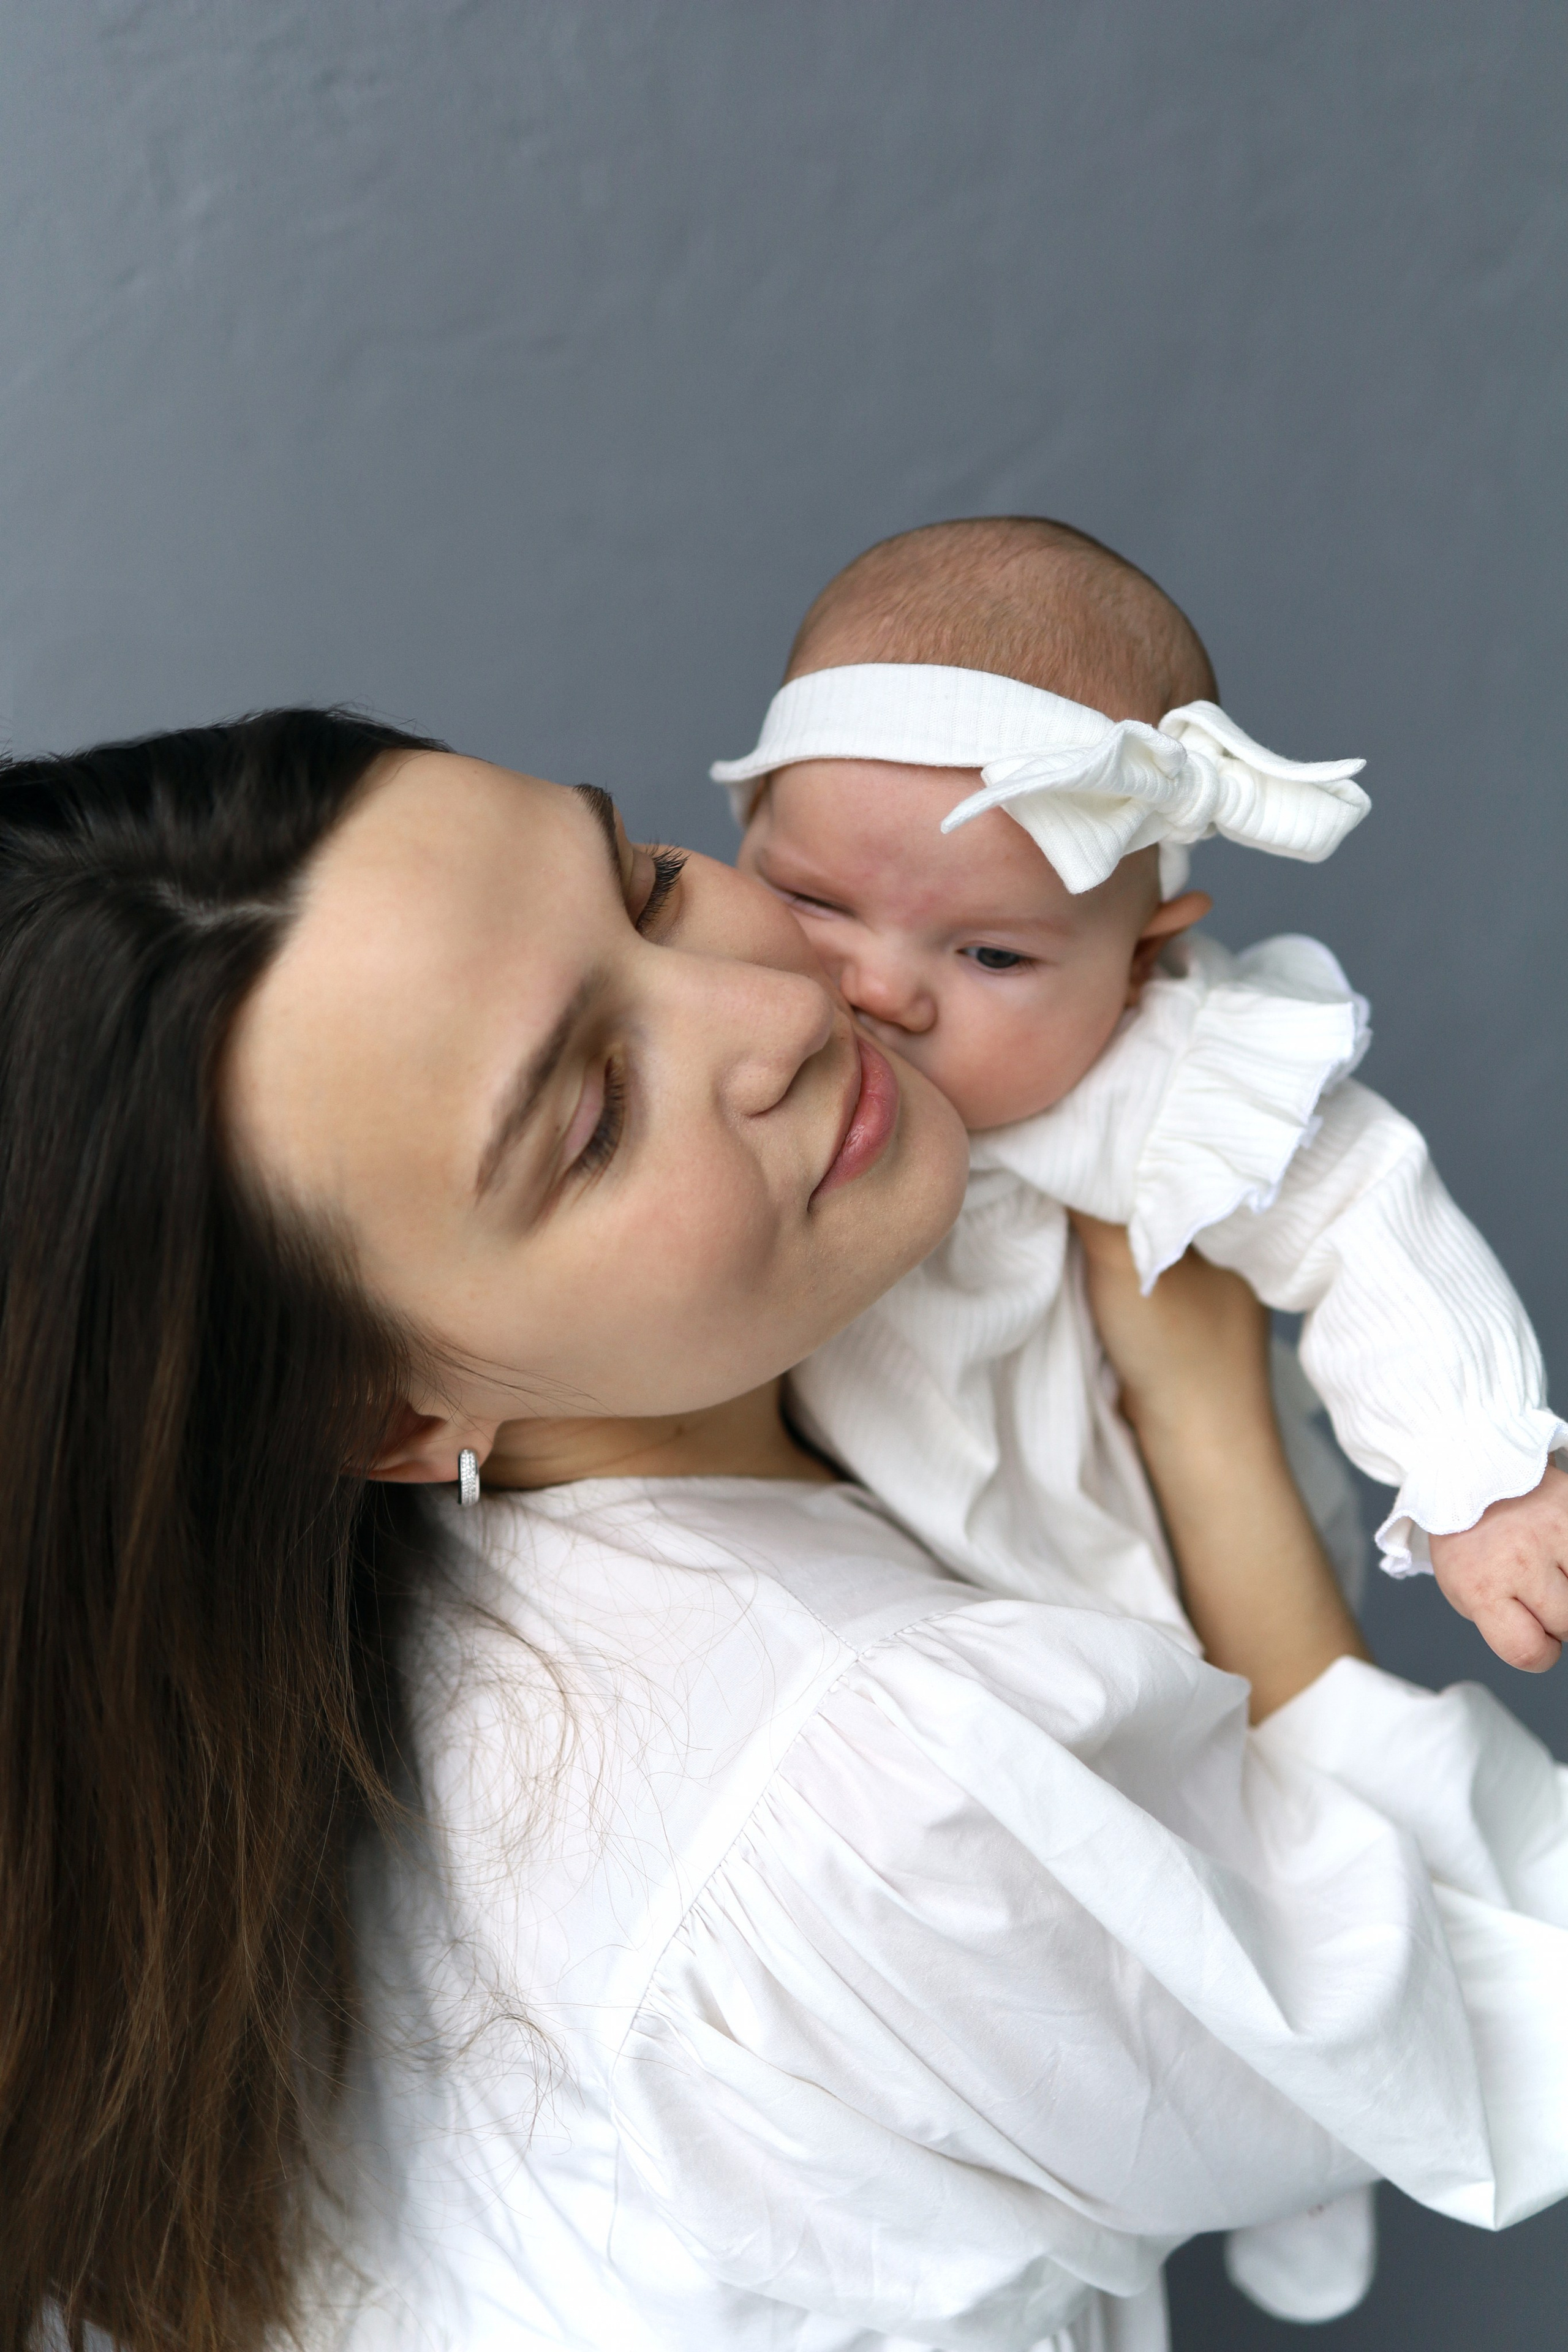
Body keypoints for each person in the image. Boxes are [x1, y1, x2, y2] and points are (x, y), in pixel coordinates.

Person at [3, 712, 1567, 2352]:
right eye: (594, 1119)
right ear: (391, 1423)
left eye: (647, 887)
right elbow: (1462, 2031)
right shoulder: (869, 1788)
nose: (794, 1010)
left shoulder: (279, 1674)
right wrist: (1206, 1423)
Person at [712, 516, 1568, 1669]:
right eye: (814, 902)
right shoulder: (709, 1040)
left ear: (1139, 965)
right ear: (747, 841)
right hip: (854, 1588)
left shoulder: (1147, 1078)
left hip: (1142, 1579)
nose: (879, 991)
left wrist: (1481, 1472)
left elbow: (1365, 1215)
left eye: (992, 956)